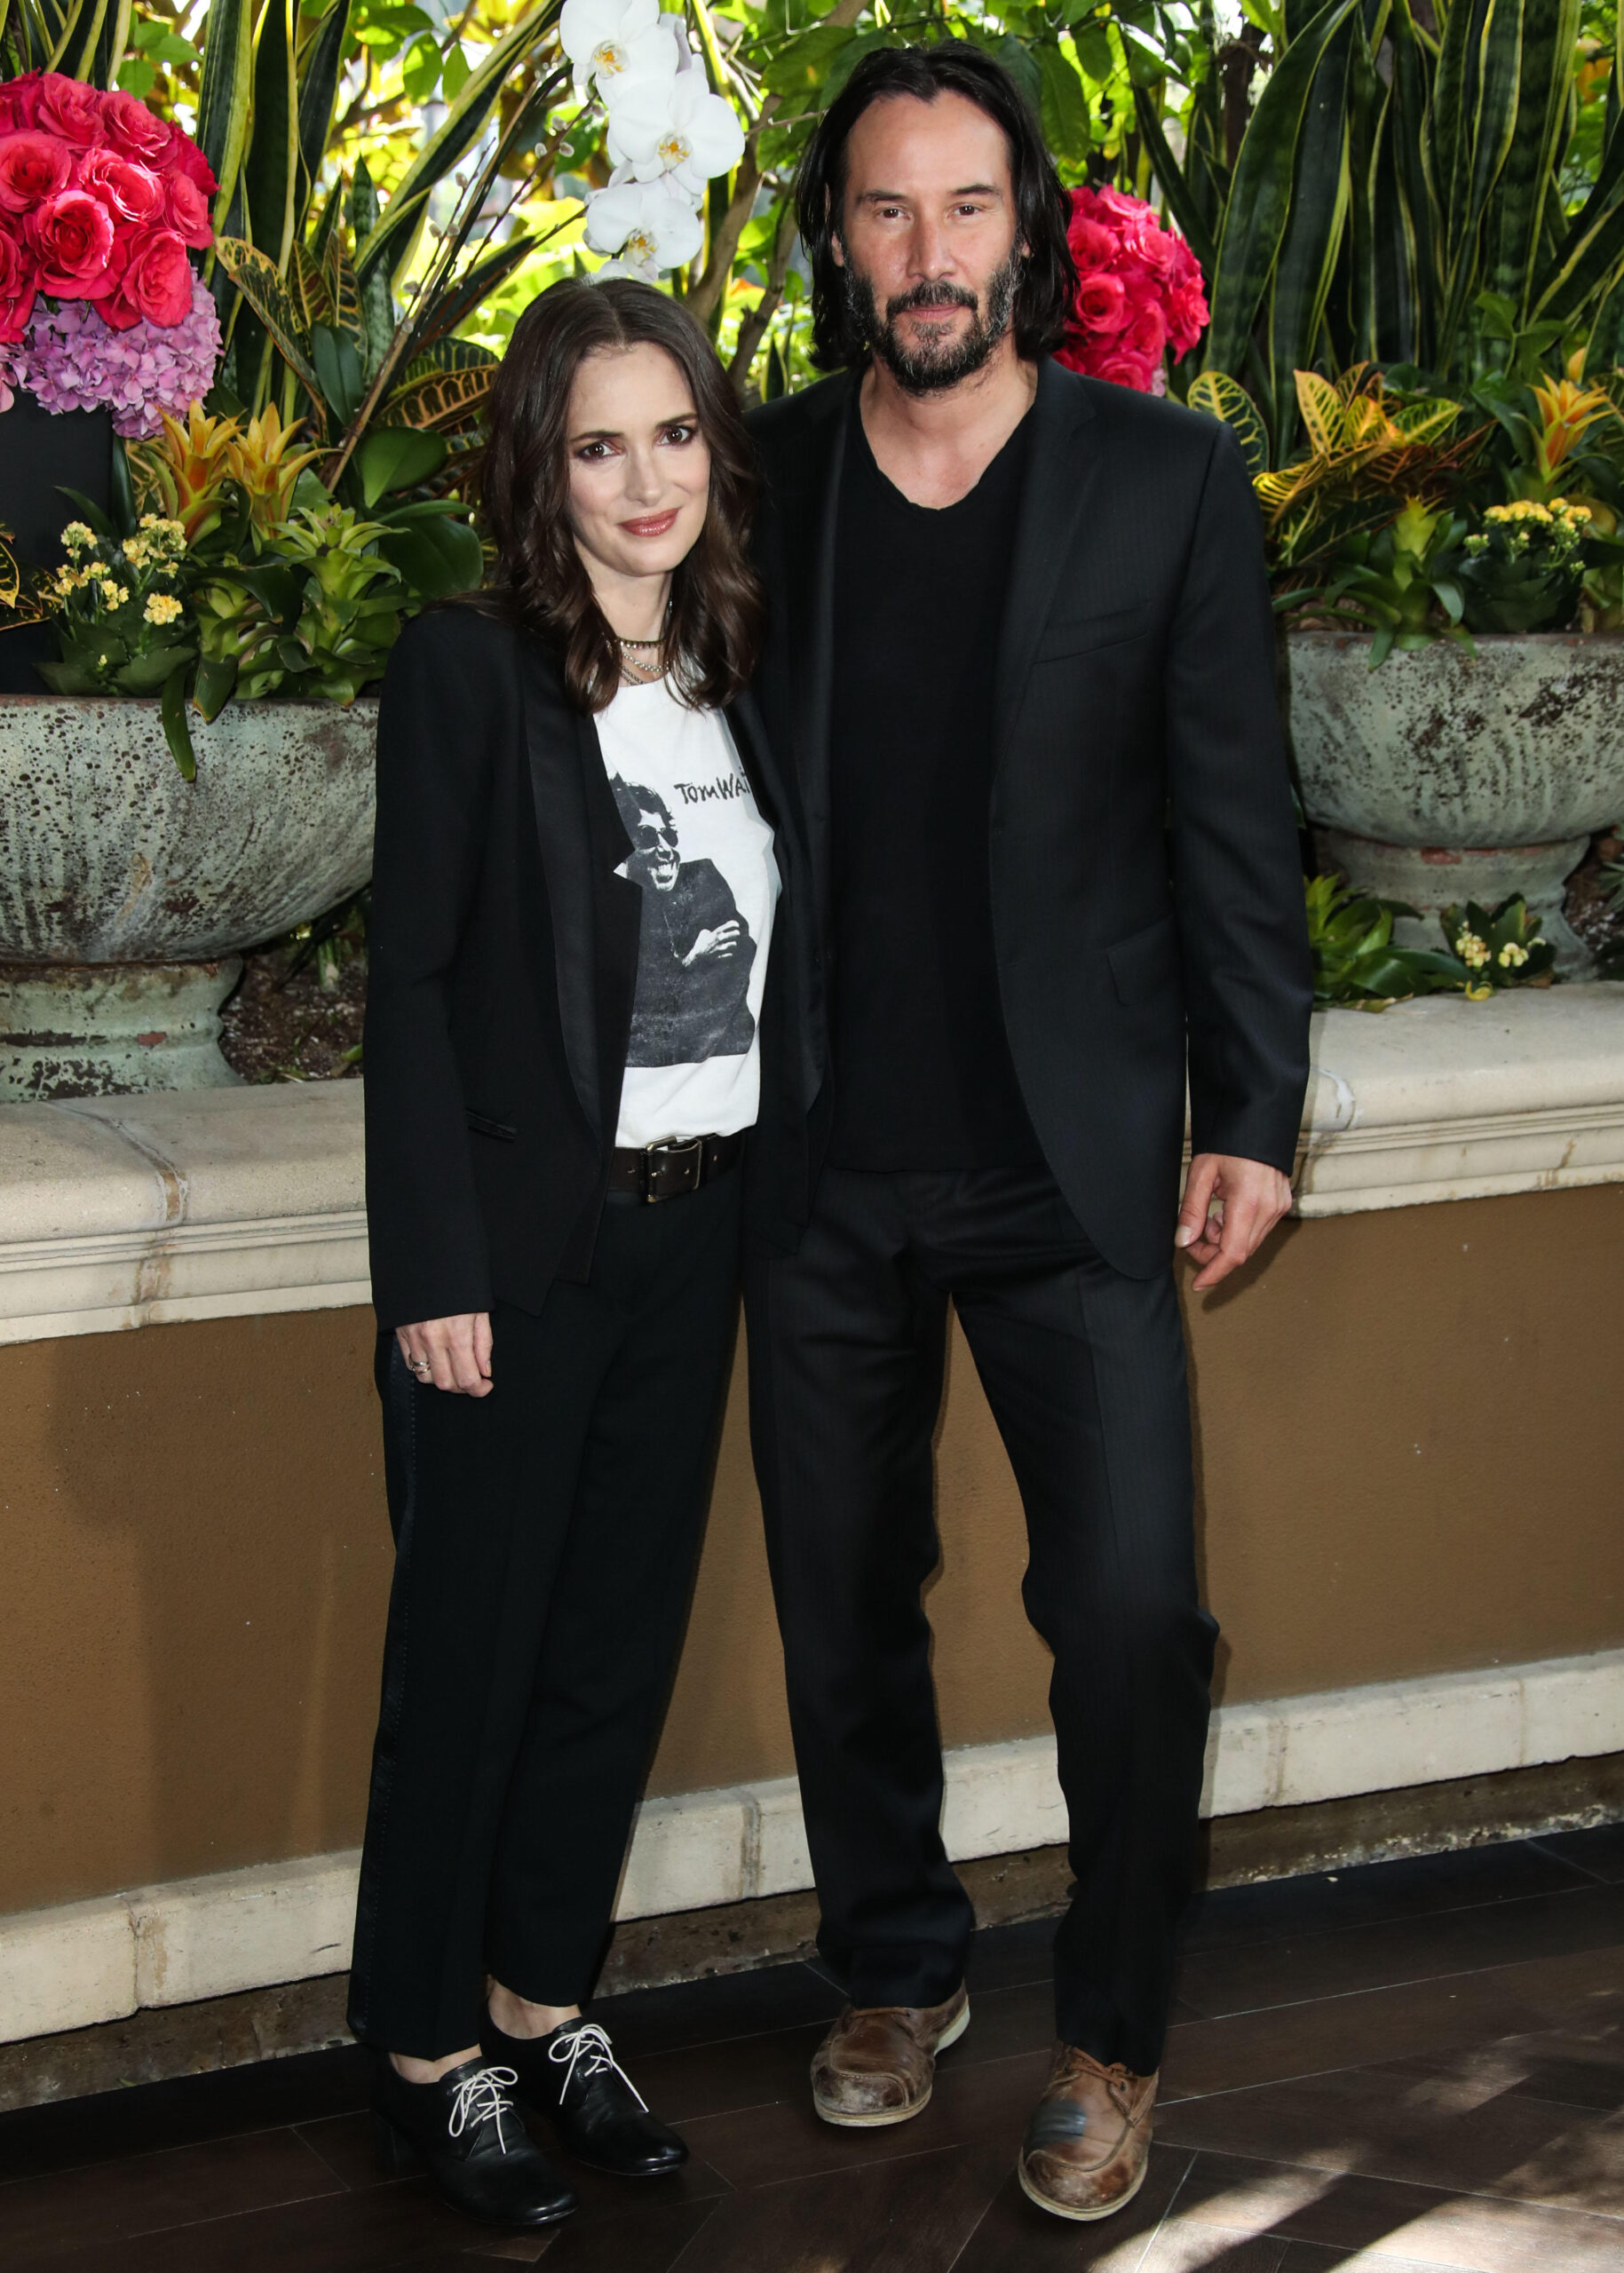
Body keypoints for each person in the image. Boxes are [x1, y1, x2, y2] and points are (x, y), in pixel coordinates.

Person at [741, 43, 1313, 2224]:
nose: (927, 254)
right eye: (886, 212)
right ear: (838, 239)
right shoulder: (767, 478)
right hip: (820, 1164)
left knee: (1140, 1610)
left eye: (966, 207)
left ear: (1031, 228)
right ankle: (897, 1967)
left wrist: (1251, 1105)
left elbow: (1231, 820)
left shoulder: (1163, 478)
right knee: (837, 1608)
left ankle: (1112, 2027)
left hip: (1073, 1167)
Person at [351, 275, 784, 2232]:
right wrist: (432, 1268)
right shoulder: (472, 669)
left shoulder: (736, 670)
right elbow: (417, 986)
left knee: (610, 1647)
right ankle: (433, 2046)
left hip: (702, 1236)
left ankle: (543, 2000)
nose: (644, 478)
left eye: (674, 432)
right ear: (541, 460)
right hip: (520, 1261)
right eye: (599, 442)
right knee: (476, 1654)